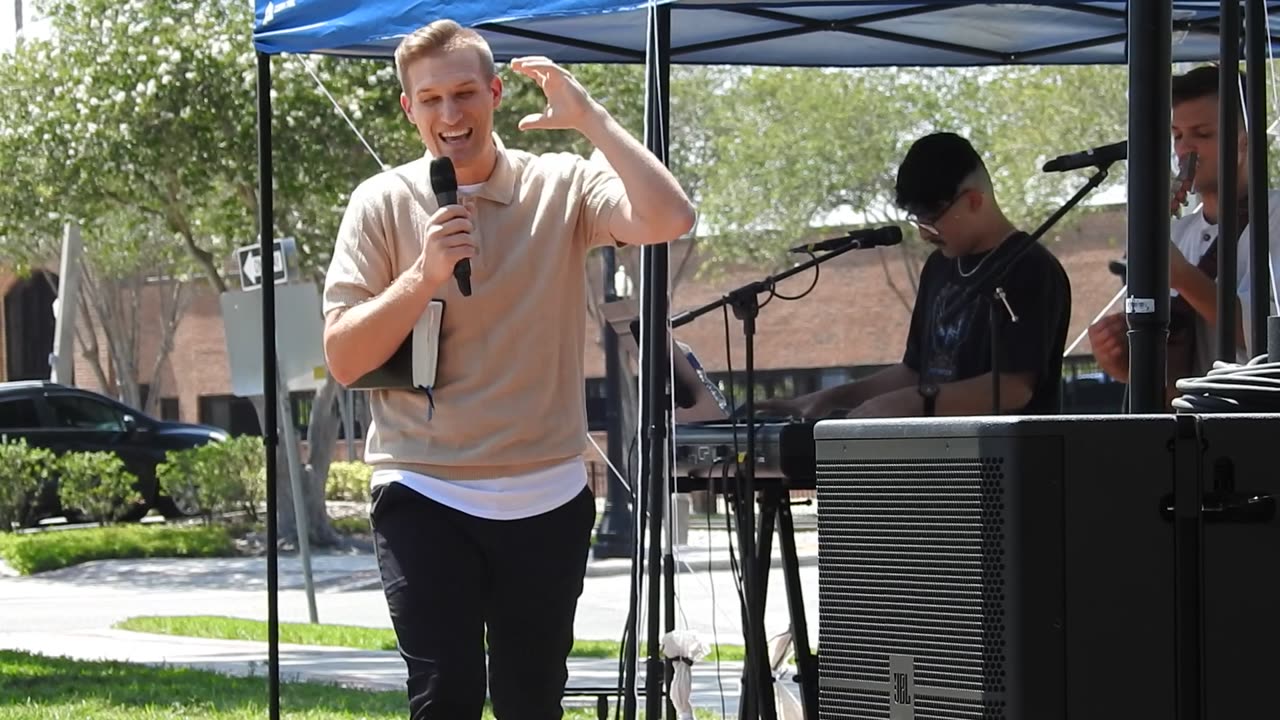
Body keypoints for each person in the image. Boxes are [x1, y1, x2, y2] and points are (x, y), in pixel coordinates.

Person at [321, 19, 695, 720]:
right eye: (430, 100)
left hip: (545, 495)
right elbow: (344, 357)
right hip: (422, 487)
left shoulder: (561, 185)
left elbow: (670, 216)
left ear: (495, 93)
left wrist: (591, 121)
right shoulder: (379, 203)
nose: (450, 115)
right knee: (447, 696)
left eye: (465, 93)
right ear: (409, 109)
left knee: (532, 702)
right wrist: (422, 277)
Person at [755, 132, 1071, 419]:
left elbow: (1015, 387)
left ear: (973, 200)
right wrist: (833, 397)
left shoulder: (1029, 267)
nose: (923, 234)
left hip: (1007, 466)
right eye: (916, 220)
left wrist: (915, 402)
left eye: (932, 220)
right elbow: (915, 372)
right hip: (937, 463)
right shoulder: (938, 267)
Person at [1089, 65, 1280, 406]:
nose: (1184, 149)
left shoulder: (1275, 218)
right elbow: (1167, 368)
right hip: (1183, 433)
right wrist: (1121, 361)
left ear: (1245, 143)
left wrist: (1183, 276)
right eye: (1177, 135)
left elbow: (1265, 341)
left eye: (1202, 134)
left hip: (1255, 427)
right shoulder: (1177, 232)